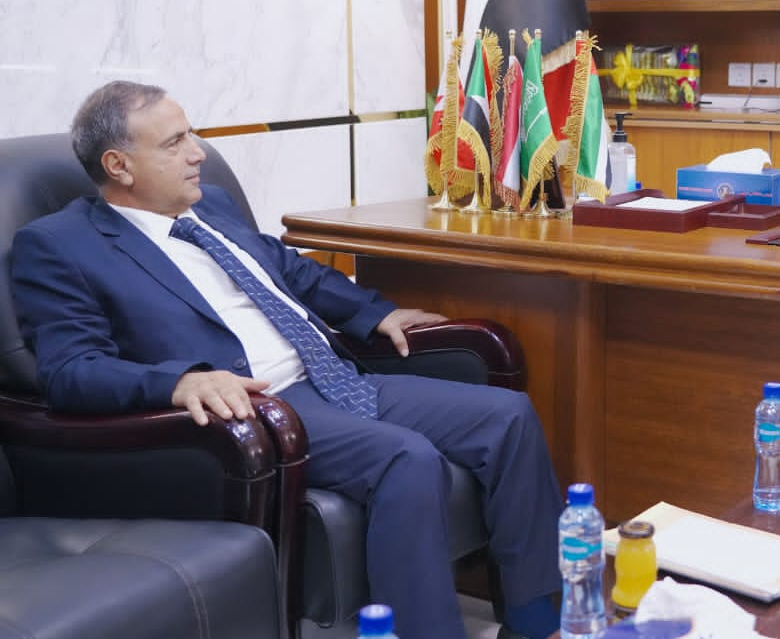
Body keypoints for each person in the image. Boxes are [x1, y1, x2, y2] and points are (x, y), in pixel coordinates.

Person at [9, 82, 562, 639]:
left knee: (508, 418)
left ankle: (539, 623)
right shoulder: (59, 245)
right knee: (406, 458)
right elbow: (70, 370)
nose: (198, 153)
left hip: (332, 374)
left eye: (191, 135)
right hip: (262, 406)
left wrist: (377, 314)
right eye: (175, 143)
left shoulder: (210, 207)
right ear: (119, 165)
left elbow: (293, 273)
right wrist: (178, 382)